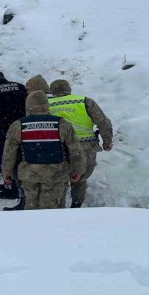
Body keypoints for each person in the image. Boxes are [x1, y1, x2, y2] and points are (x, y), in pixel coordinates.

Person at [2, 91, 86, 210]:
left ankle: (34, 227)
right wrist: (78, 169)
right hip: (56, 173)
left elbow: (9, 153)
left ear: (28, 106)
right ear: (47, 105)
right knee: (52, 207)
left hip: (29, 174)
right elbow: (76, 150)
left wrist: (7, 172)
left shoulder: (18, 125)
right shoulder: (61, 123)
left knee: (31, 206)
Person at [48, 79, 113, 208]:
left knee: (60, 178)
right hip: (85, 146)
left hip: (58, 147)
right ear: (69, 89)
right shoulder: (84, 101)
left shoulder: (46, 104)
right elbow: (103, 122)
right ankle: (76, 206)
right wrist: (107, 140)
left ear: (52, 91)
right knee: (81, 177)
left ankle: (58, 207)